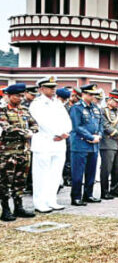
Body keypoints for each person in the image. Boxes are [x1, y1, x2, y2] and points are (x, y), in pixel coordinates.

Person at [28, 78, 70, 212]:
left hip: (59, 143)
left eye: (54, 87)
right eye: (49, 87)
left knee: (56, 174)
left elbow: (67, 120)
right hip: (44, 142)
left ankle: (51, 200)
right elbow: (42, 122)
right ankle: (39, 203)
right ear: (41, 89)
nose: (53, 89)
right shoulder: (37, 103)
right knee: (41, 174)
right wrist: (59, 133)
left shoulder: (57, 103)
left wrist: (65, 132)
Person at [0, 83, 38, 221]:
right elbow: (6, 127)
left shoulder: (24, 110)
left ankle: (19, 207)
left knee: (20, 181)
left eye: (22, 96)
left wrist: (31, 131)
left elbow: (35, 124)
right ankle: (5, 209)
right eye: (17, 96)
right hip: (7, 153)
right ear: (9, 96)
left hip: (23, 151)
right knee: (5, 181)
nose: (20, 98)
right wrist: (24, 133)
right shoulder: (2, 110)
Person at [69, 84, 103, 205]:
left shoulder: (96, 108)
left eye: (93, 94)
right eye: (89, 94)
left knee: (91, 172)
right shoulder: (76, 108)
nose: (92, 96)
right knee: (78, 173)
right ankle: (76, 197)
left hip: (93, 145)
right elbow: (77, 126)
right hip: (80, 144)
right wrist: (90, 137)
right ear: (83, 94)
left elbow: (100, 124)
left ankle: (88, 194)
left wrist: (98, 135)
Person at [99, 90, 118, 200]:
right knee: (106, 169)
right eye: (116, 101)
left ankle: (115, 189)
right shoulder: (103, 111)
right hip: (108, 143)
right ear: (109, 100)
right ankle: (104, 191)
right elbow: (105, 125)